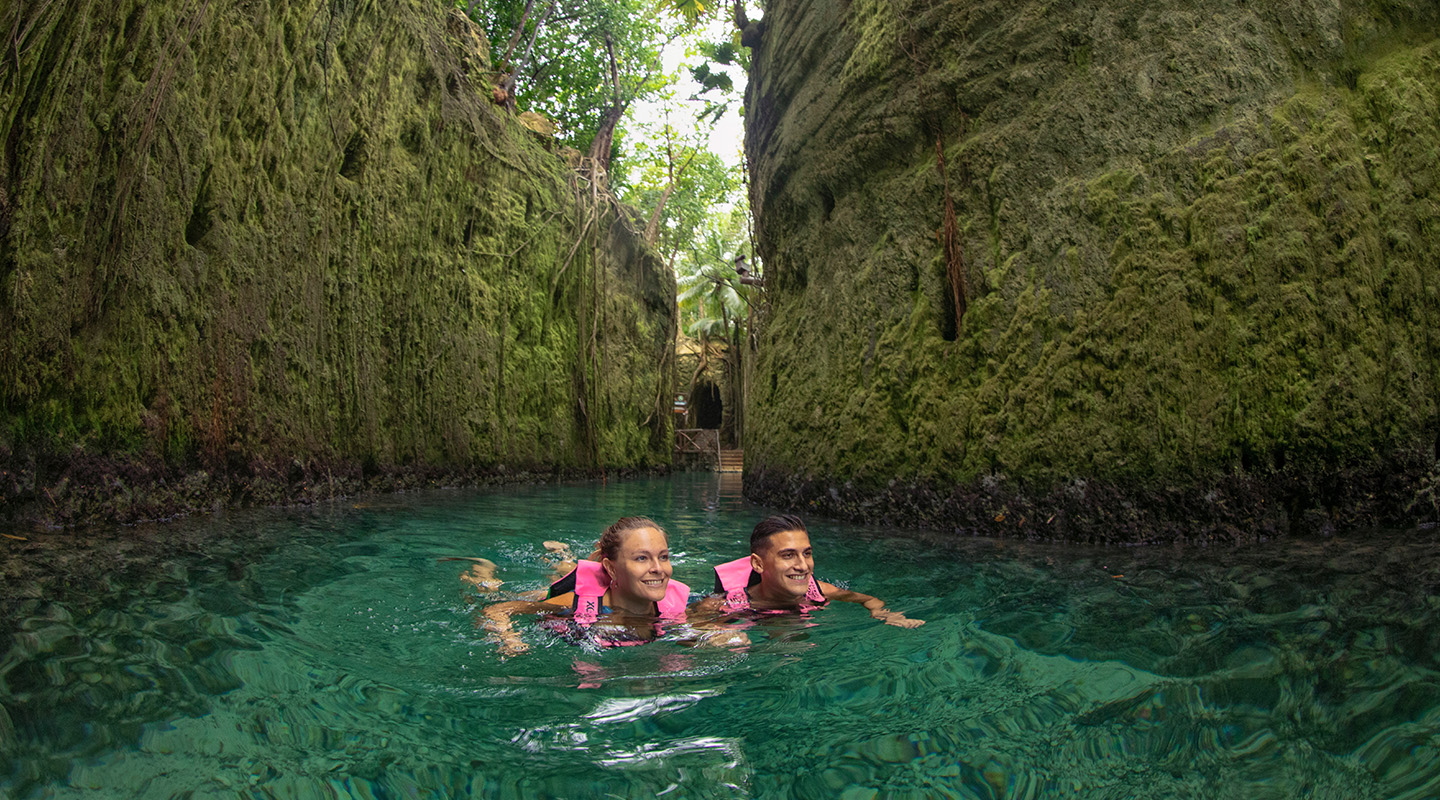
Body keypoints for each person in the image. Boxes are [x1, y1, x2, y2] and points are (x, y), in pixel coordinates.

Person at [472, 517, 743, 655]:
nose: (658, 569)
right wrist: (509, 639)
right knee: (499, 589)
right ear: (612, 567)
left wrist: (718, 637)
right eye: (641, 558)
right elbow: (497, 609)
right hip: (585, 594)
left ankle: (566, 559)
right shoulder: (576, 605)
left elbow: (708, 627)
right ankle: (486, 568)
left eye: (663, 557)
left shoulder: (676, 608)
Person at [691, 514, 925, 628]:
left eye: (807, 553)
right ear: (758, 564)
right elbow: (691, 626)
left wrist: (883, 613)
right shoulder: (726, 604)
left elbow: (868, 599)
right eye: (788, 555)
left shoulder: (819, 590)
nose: (803, 566)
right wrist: (715, 634)